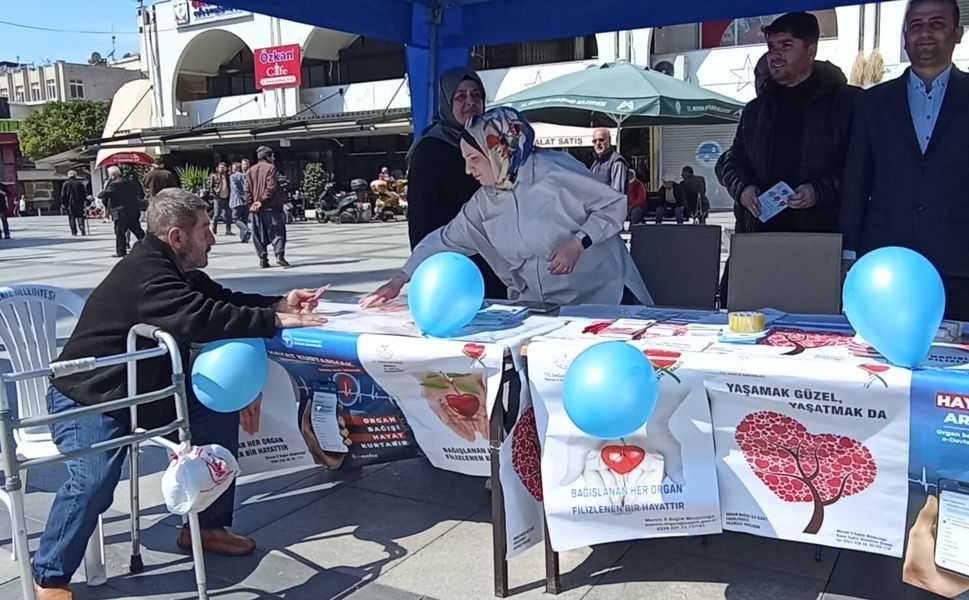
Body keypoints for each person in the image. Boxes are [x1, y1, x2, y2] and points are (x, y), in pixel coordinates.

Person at [30, 188, 326, 600]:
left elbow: (220, 299)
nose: (213, 238)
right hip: (88, 396)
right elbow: (201, 317)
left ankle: (205, 526)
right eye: (205, 230)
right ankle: (50, 577)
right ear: (176, 237)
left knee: (215, 410)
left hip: (141, 390)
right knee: (94, 478)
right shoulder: (148, 276)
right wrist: (274, 319)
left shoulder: (172, 269)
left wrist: (280, 301)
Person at [363, 107, 652, 308]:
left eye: (474, 160)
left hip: (606, 298)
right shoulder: (484, 203)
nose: (467, 170)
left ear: (498, 150)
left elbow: (613, 205)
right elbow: (445, 239)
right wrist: (400, 279)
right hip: (547, 309)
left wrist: (579, 242)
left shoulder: (553, 172)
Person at [843, 0, 969, 321]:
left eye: (937, 24)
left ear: (958, 33)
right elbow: (856, 181)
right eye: (916, 25)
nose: (925, 33)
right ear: (904, 37)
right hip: (888, 259)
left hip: (959, 259)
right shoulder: (872, 102)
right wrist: (848, 252)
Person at [720, 12, 856, 234]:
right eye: (772, 46)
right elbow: (733, 161)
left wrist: (819, 191)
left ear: (811, 50)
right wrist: (743, 188)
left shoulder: (848, 104)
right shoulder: (755, 111)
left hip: (824, 237)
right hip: (761, 236)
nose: (775, 55)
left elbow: (861, 168)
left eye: (786, 45)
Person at [405, 66, 506, 299]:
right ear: (446, 102)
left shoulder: (493, 141)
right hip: (453, 261)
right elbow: (421, 219)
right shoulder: (430, 149)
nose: (470, 102)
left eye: (476, 95)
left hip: (497, 259)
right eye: (461, 97)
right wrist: (428, 266)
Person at [244, 146, 289, 268]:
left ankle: (263, 259)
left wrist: (252, 204)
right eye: (272, 156)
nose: (273, 158)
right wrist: (261, 201)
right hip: (271, 206)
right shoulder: (271, 168)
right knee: (277, 232)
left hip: (256, 209)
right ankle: (279, 255)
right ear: (267, 156)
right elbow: (271, 187)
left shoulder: (250, 171)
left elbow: (246, 190)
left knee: (258, 234)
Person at [99, 166, 145, 258]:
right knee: (137, 230)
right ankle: (149, 245)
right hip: (133, 210)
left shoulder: (114, 184)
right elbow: (140, 194)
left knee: (120, 232)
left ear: (112, 175)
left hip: (120, 212)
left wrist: (108, 182)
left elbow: (102, 195)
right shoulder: (130, 182)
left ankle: (121, 251)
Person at [589, 127, 628, 194]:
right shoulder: (596, 163)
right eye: (594, 141)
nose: (597, 144)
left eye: (601, 140)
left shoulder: (617, 162)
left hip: (610, 203)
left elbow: (617, 193)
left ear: (609, 140)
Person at [208, 162, 233, 236]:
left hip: (227, 198)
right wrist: (215, 196)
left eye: (223, 167)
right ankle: (214, 228)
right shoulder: (214, 176)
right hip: (218, 198)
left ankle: (228, 230)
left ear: (226, 168)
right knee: (216, 215)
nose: (221, 169)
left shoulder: (228, 176)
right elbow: (211, 187)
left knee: (228, 215)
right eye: (220, 167)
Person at [60, 170, 87, 236]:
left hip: (70, 203)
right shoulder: (80, 183)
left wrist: (63, 203)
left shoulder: (65, 183)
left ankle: (74, 232)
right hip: (79, 203)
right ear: (75, 175)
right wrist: (84, 201)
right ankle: (81, 227)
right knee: (80, 216)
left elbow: (63, 194)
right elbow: (84, 194)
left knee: (72, 218)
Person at [229, 160, 251, 243]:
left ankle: (246, 230)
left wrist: (241, 196)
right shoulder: (246, 176)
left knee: (235, 218)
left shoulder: (233, 177)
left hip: (237, 201)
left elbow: (235, 189)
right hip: (245, 201)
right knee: (244, 219)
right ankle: (244, 238)